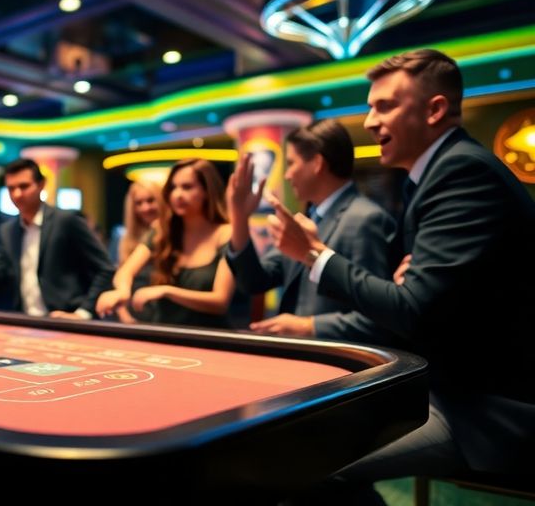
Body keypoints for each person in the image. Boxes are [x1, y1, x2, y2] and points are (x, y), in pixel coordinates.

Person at [267, 49, 535, 501]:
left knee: (305, 460)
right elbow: (422, 304)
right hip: (449, 387)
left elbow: (411, 312)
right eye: (371, 107)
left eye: (384, 106)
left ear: (434, 110)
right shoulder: (432, 177)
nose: (369, 121)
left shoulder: (460, 171)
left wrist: (314, 253)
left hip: (488, 407)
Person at [225, 119, 397, 342]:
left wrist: (309, 326)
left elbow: (382, 317)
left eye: (291, 163)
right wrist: (239, 217)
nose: (287, 175)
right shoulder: (306, 220)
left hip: (344, 369)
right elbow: (254, 281)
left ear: (316, 163)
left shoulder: (365, 219)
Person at [96, 159, 237, 328]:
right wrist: (122, 291)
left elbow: (220, 302)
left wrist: (166, 291)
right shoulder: (162, 230)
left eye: (187, 187)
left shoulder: (226, 233)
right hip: (165, 333)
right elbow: (125, 271)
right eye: (173, 188)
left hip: (209, 337)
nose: (177, 194)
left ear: (207, 190)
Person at [0, 158, 113, 319]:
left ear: (41, 184)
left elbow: (105, 269)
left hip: (66, 321)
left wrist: (82, 313)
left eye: (24, 186)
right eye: (11, 188)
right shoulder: (8, 231)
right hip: (25, 322)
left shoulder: (66, 220)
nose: (17, 194)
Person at [106, 180, 164, 323]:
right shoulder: (124, 239)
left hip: (162, 315)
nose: (145, 208)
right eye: (139, 203)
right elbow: (121, 276)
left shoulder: (169, 234)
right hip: (132, 315)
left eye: (151, 200)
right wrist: (125, 316)